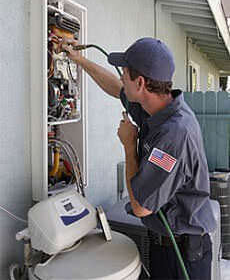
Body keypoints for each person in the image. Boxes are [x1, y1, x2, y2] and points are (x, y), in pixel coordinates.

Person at [62, 37, 216, 280]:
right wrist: (80, 60)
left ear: (141, 82)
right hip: (167, 244)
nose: (122, 76)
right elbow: (116, 87)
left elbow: (141, 207)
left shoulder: (173, 135)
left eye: (125, 71)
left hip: (182, 257)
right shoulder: (156, 107)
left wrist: (128, 145)